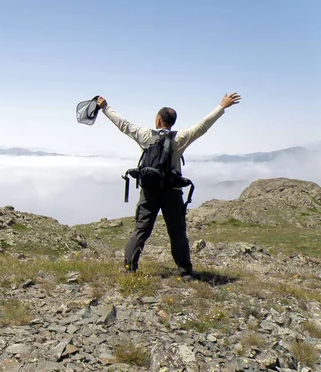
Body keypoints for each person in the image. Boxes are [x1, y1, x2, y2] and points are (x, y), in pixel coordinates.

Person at [96, 93, 241, 281]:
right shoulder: (180, 138)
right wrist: (222, 106)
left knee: (141, 229)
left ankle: (129, 267)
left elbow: (123, 124)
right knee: (177, 232)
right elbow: (203, 126)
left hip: (149, 191)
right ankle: (186, 272)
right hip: (172, 193)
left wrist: (106, 107)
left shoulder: (145, 135)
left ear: (158, 120)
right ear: (172, 122)